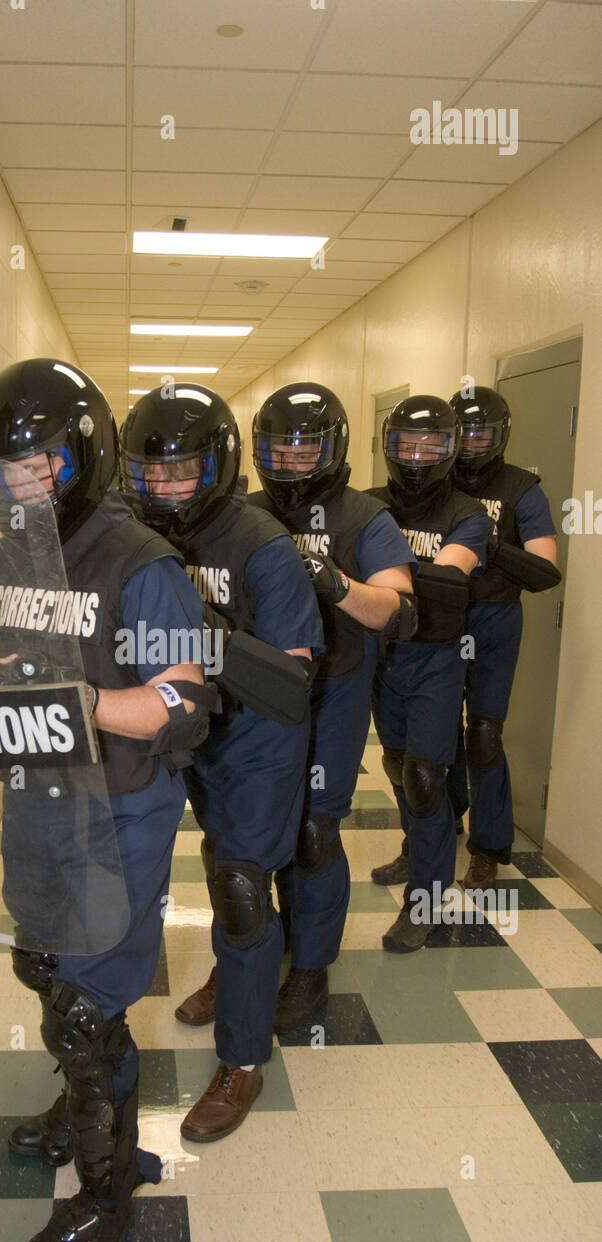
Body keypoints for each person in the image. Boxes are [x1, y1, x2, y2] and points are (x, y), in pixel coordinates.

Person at [0, 358, 216, 1242]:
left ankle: (109, 1188)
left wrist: (84, 699)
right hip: (39, 798)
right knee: (44, 968)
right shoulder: (7, 557)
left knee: (90, 1013)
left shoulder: (143, 564)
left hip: (121, 807)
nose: (14, 487)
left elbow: (183, 701)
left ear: (80, 455)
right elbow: (8, 669)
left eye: (34, 465)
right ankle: (77, 1104)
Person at [118, 383, 323, 1137]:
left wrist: (199, 630)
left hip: (259, 739)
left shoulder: (263, 544)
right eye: (150, 472)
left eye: (181, 472)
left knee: (241, 887)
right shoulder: (135, 534)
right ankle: (236, 976)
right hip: (185, 735)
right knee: (216, 863)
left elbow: (294, 677)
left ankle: (242, 1061)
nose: (164, 488)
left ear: (220, 468)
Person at [246, 383, 417, 1028]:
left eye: (303, 448)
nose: (289, 462)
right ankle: (246, 951)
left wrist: (332, 580)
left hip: (333, 692)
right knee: (245, 834)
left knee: (314, 833)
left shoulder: (363, 516)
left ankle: (310, 968)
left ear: (334, 447)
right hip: (255, 690)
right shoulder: (243, 510)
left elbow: (396, 609)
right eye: (276, 450)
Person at [367, 395, 492, 951]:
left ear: (450, 449)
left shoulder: (467, 513)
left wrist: (370, 577)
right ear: (388, 447)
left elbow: (444, 580)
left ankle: (426, 900)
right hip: (381, 656)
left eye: (430, 445)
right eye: (406, 444)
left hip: (437, 659)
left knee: (425, 779)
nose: (416, 456)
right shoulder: (367, 505)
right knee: (397, 766)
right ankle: (417, 850)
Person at [446, 387, 559, 891]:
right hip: (438, 618)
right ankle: (435, 825)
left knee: (484, 737)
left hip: (494, 620)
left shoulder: (522, 489)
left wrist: (489, 544)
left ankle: (488, 847)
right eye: (462, 432)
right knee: (432, 734)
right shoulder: (433, 479)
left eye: (481, 433)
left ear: (501, 436)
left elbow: (545, 571)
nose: (471, 443)